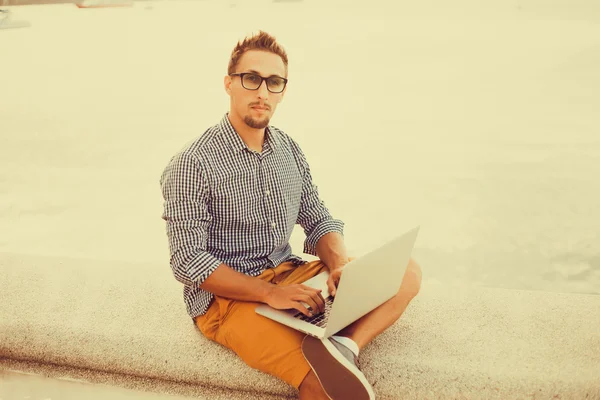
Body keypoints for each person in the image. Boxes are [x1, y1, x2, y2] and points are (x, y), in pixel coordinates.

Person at [159, 30, 423, 400]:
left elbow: (318, 220)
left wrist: (339, 265)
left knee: (406, 270)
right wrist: (268, 293)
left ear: (283, 90)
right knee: (324, 384)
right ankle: (330, 359)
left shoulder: (288, 150)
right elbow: (188, 262)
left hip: (294, 275)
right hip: (230, 302)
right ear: (228, 84)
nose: (262, 92)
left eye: (274, 82)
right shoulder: (192, 163)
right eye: (251, 79)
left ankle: (345, 347)